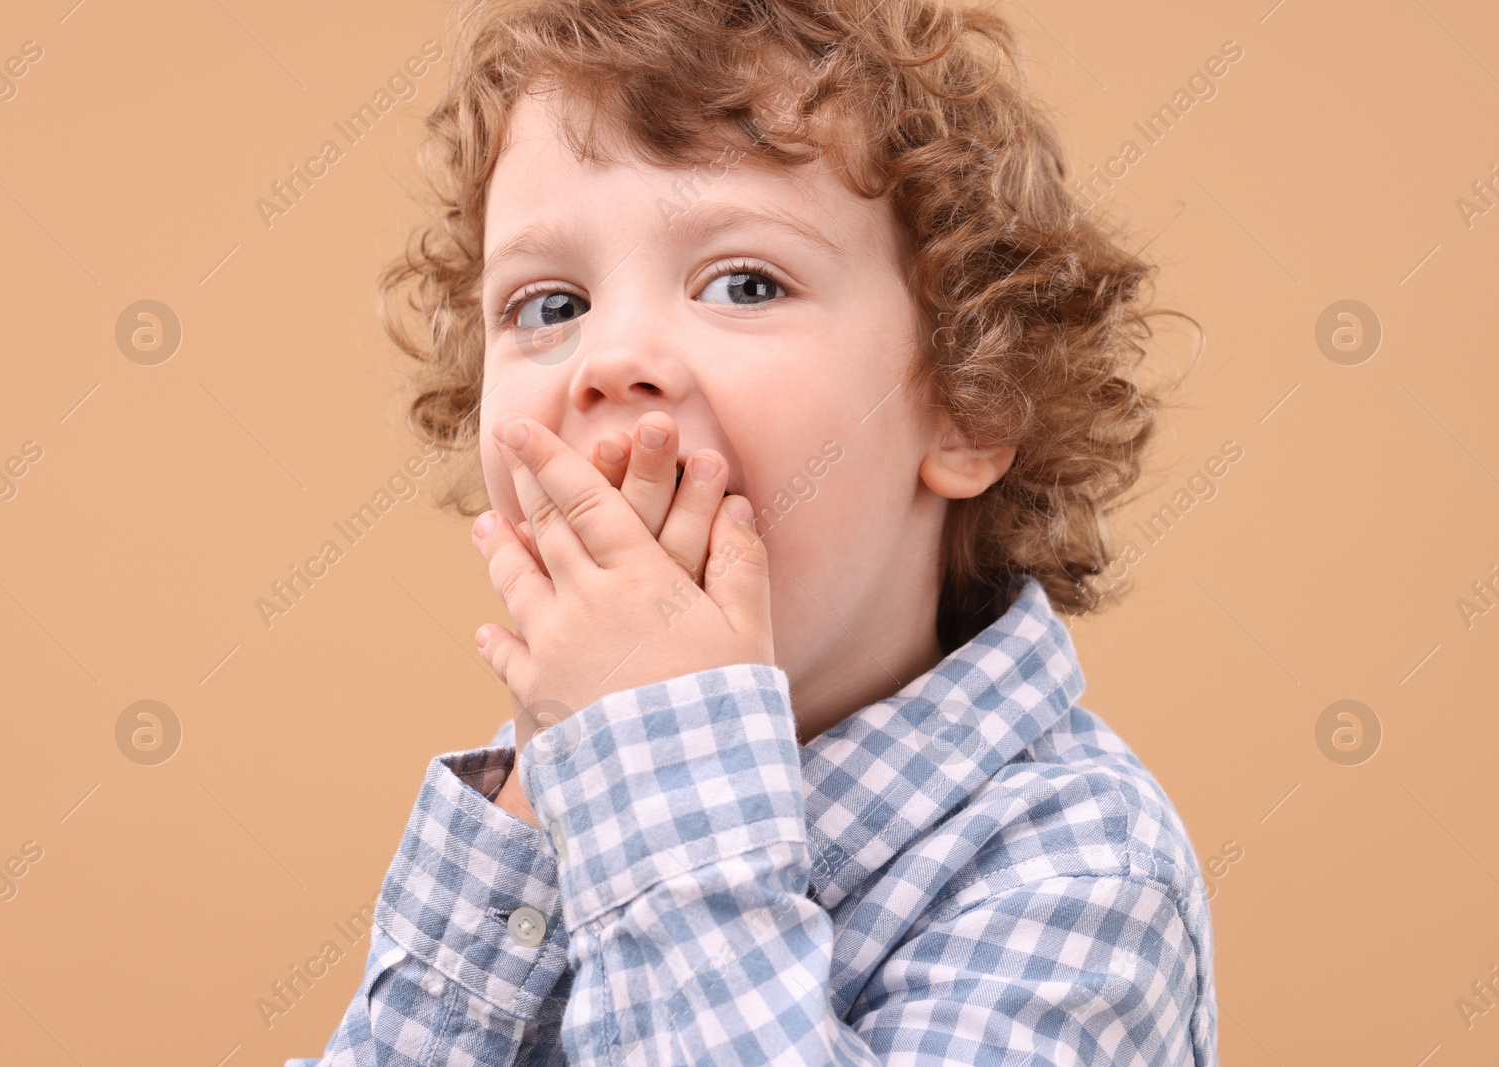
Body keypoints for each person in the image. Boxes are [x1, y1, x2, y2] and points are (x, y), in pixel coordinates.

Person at [290, 0, 1215, 1062]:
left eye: (743, 283)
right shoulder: (558, 773)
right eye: (549, 305)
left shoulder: (1079, 879)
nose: (610, 358)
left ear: (972, 400)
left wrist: (660, 792)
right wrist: (547, 809)